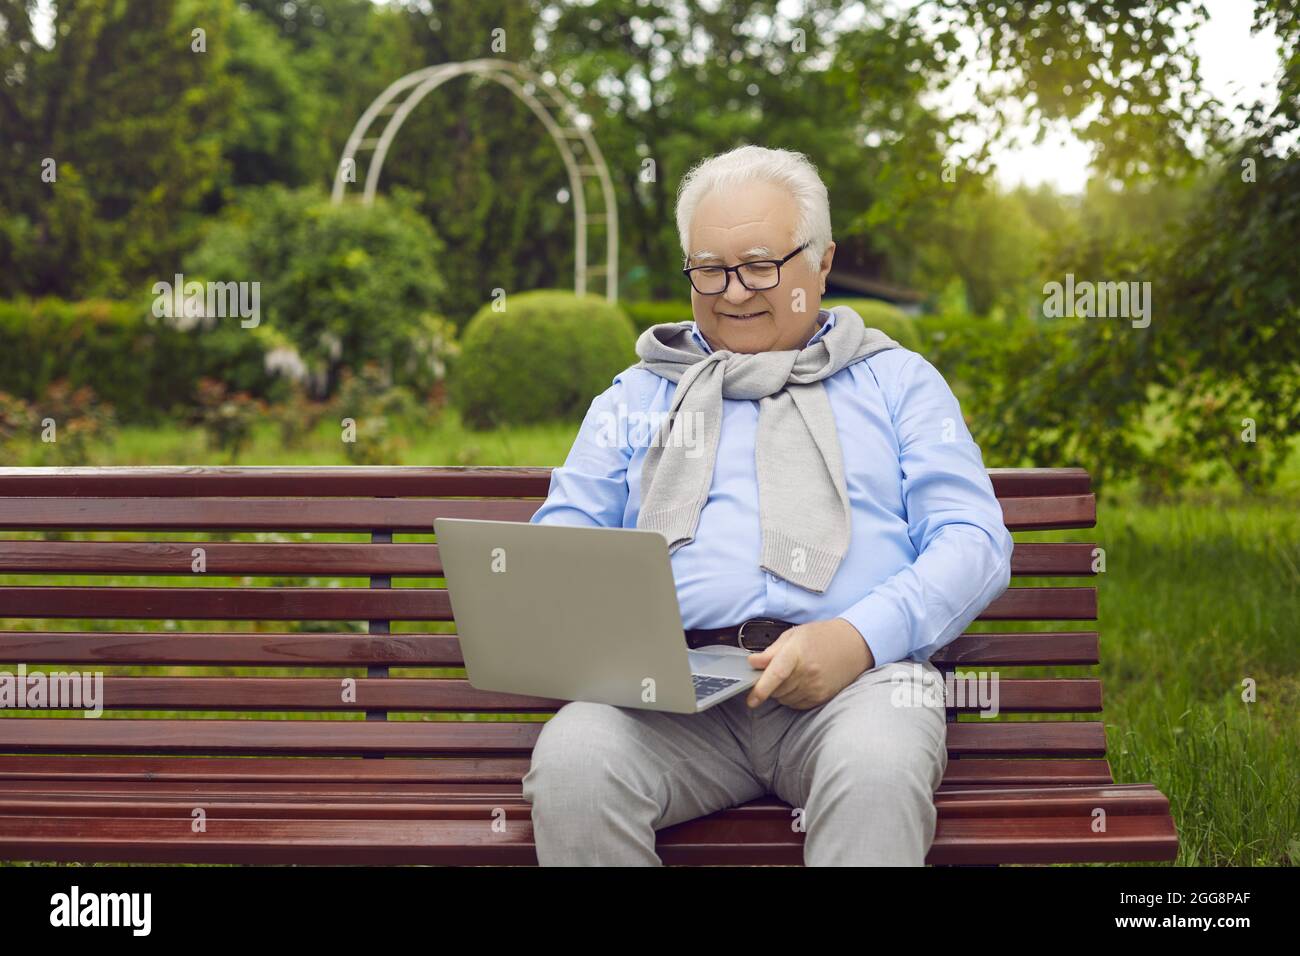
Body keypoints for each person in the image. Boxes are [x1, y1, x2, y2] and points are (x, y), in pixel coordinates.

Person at [520, 144, 1013, 865]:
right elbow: (562, 541)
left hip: (861, 687)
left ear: (822, 261)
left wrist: (857, 638)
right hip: (669, 698)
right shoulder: (637, 395)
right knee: (574, 765)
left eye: (759, 266)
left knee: (877, 770)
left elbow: (974, 542)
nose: (733, 292)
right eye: (709, 269)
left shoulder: (898, 384)